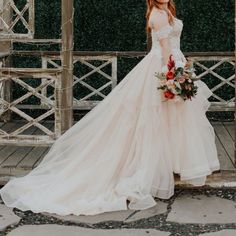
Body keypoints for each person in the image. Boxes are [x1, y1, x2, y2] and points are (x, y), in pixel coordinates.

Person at [0, 0, 220, 216]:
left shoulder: (167, 10)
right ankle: (151, 170)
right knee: (154, 120)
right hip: (164, 67)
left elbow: (172, 45)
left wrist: (179, 66)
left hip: (174, 62)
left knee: (171, 119)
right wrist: (171, 76)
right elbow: (164, 49)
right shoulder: (158, 14)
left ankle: (169, 165)